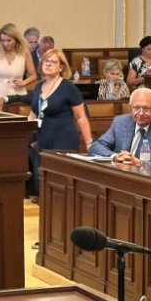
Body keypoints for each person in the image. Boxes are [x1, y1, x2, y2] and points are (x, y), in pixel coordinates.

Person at [27, 48, 94, 194]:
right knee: (40, 183)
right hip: (42, 140)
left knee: (59, 184)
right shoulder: (39, 87)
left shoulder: (68, 87)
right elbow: (33, 112)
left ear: (61, 67)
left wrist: (89, 144)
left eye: (53, 62)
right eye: (46, 61)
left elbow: (81, 117)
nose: (49, 64)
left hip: (63, 140)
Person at [89, 87, 151, 173]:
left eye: (146, 109)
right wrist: (115, 157)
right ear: (130, 108)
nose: (140, 113)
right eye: (136, 108)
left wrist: (139, 163)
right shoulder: (120, 122)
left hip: (148, 181)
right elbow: (96, 146)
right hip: (119, 175)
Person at [0, 23, 37, 110]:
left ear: (16, 39)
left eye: (9, 40)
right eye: (3, 40)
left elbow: (33, 75)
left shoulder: (24, 51)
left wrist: (23, 83)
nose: (5, 44)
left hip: (17, 93)